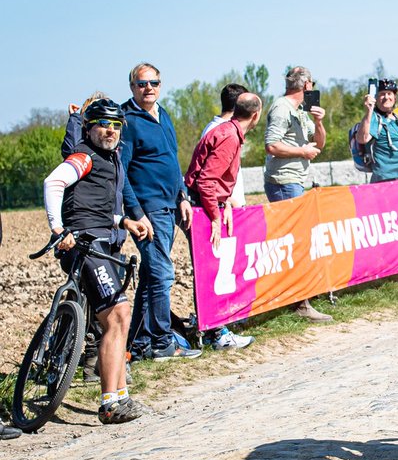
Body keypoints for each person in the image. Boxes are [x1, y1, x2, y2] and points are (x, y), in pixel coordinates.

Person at [44, 99, 151, 422]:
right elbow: (53, 182)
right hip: (84, 244)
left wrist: (124, 222)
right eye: (103, 124)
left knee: (118, 316)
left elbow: (94, 205)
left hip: (101, 239)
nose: (111, 131)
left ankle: (120, 396)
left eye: (116, 125)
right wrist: (58, 228)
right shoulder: (84, 156)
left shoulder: (110, 159)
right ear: (89, 128)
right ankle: (110, 403)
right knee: (118, 314)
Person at [120, 63, 202, 361]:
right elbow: (122, 172)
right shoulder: (126, 121)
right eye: (142, 84)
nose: (149, 88)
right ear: (132, 87)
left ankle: (140, 342)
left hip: (170, 205)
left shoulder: (162, 113)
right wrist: (136, 212)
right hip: (149, 209)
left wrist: (181, 195)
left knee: (150, 275)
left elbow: (171, 159)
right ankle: (162, 342)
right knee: (162, 273)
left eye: (154, 82)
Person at [184, 92, 263, 349]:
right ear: (256, 115)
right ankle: (216, 334)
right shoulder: (229, 137)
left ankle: (214, 329)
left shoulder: (229, 131)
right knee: (211, 270)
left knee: (214, 269)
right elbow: (206, 181)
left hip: (209, 203)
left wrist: (226, 201)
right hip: (202, 207)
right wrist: (215, 217)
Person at [263, 65, 332, 322]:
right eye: (312, 84)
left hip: (295, 180)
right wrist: (302, 152)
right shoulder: (282, 108)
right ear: (306, 86)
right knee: (295, 241)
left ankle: (300, 299)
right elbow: (271, 145)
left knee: (299, 240)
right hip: (284, 181)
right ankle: (299, 302)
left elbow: (320, 144)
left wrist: (319, 122)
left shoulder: (302, 110)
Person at [357, 78, 398, 183]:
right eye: (382, 94)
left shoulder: (397, 120)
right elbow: (363, 138)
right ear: (376, 97)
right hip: (386, 182)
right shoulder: (374, 118)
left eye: (389, 94)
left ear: (394, 97)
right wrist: (369, 111)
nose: (386, 97)